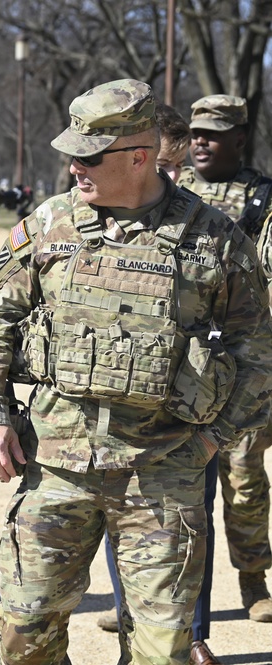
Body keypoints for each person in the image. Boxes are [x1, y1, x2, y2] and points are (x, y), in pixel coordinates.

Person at [0, 79, 272, 665]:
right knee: (25, 637)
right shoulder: (48, 226)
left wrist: (211, 440)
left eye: (88, 156)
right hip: (55, 467)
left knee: (163, 652)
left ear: (138, 156)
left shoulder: (214, 239)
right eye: (71, 154)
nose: (74, 166)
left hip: (162, 475)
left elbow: (257, 352)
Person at [94, 101, 227, 665]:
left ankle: (191, 635)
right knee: (119, 521)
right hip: (116, 410)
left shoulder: (204, 225)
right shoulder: (98, 218)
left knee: (193, 517)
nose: (170, 178)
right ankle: (135, 628)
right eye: (163, 167)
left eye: (177, 168)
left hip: (187, 406)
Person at [178, 94, 272, 630]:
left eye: (214, 133)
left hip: (240, 360)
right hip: (182, 364)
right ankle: (158, 601)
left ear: (240, 138)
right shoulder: (171, 195)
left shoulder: (263, 202)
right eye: (195, 133)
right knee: (171, 480)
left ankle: (254, 579)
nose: (201, 142)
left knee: (241, 476)